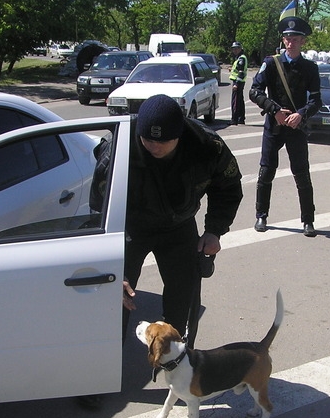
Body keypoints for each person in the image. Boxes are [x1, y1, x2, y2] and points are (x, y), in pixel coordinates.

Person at [90, 94, 243, 347]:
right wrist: (110, 265)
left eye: (164, 141)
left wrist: (214, 230)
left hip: (178, 226)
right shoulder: (117, 149)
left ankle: (177, 355)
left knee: (183, 295)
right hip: (129, 229)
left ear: (179, 135)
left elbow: (228, 187)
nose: (154, 147)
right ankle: (109, 355)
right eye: (147, 139)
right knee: (115, 294)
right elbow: (99, 206)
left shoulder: (206, 144)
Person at [249, 15, 322, 237]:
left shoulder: (310, 68)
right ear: (283, 40)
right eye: (288, 38)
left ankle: (308, 220)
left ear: (303, 42)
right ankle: (261, 215)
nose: (291, 42)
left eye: (296, 39)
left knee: (302, 174)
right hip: (275, 125)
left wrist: (301, 114)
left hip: (296, 128)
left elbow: (316, 100)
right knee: (266, 171)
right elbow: (255, 91)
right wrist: (275, 110)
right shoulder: (271, 64)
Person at [229, 41, 248, 125]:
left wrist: (236, 83)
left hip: (238, 82)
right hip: (239, 81)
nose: (235, 50)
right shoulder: (239, 57)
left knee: (235, 101)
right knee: (240, 101)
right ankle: (241, 118)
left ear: (240, 49)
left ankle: (234, 119)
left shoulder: (241, 58)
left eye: (236, 48)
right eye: (233, 49)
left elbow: (241, 71)